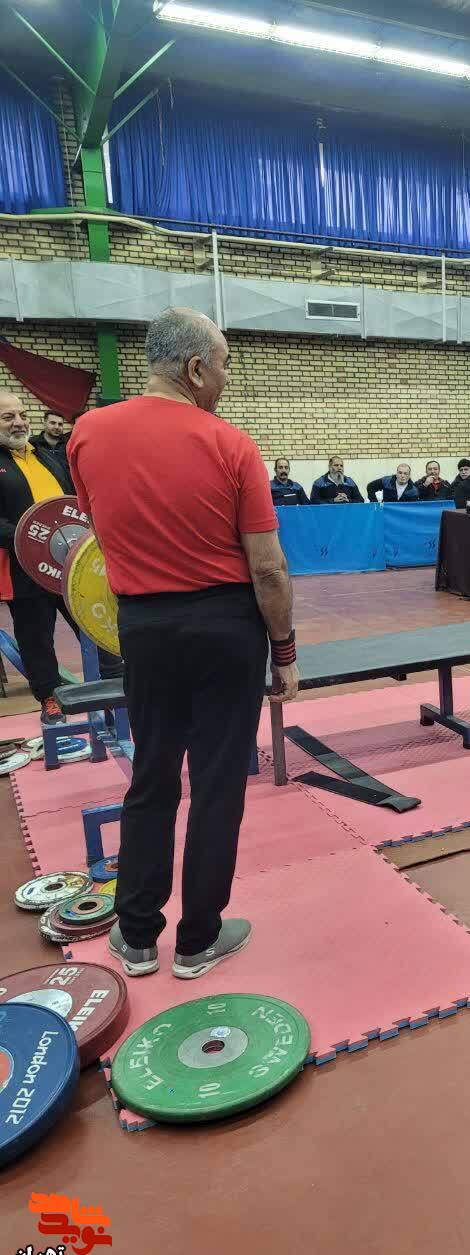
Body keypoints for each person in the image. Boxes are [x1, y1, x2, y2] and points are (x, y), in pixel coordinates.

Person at [68, 306, 300, 981]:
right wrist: (284, 652)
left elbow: (102, 536)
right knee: (218, 783)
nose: (225, 379)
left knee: (153, 776)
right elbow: (268, 569)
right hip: (226, 628)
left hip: (144, 628)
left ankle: (137, 935)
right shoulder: (232, 445)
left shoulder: (86, 435)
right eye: (223, 366)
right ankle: (199, 940)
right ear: (197, 368)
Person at [0, 391, 121, 725]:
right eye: (8, 417)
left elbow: (74, 499)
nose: (19, 422)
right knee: (35, 637)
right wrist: (30, 537)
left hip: (71, 565)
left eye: (22, 415)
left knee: (94, 622)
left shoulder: (46, 456)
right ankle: (50, 698)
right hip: (26, 568)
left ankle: (117, 685)